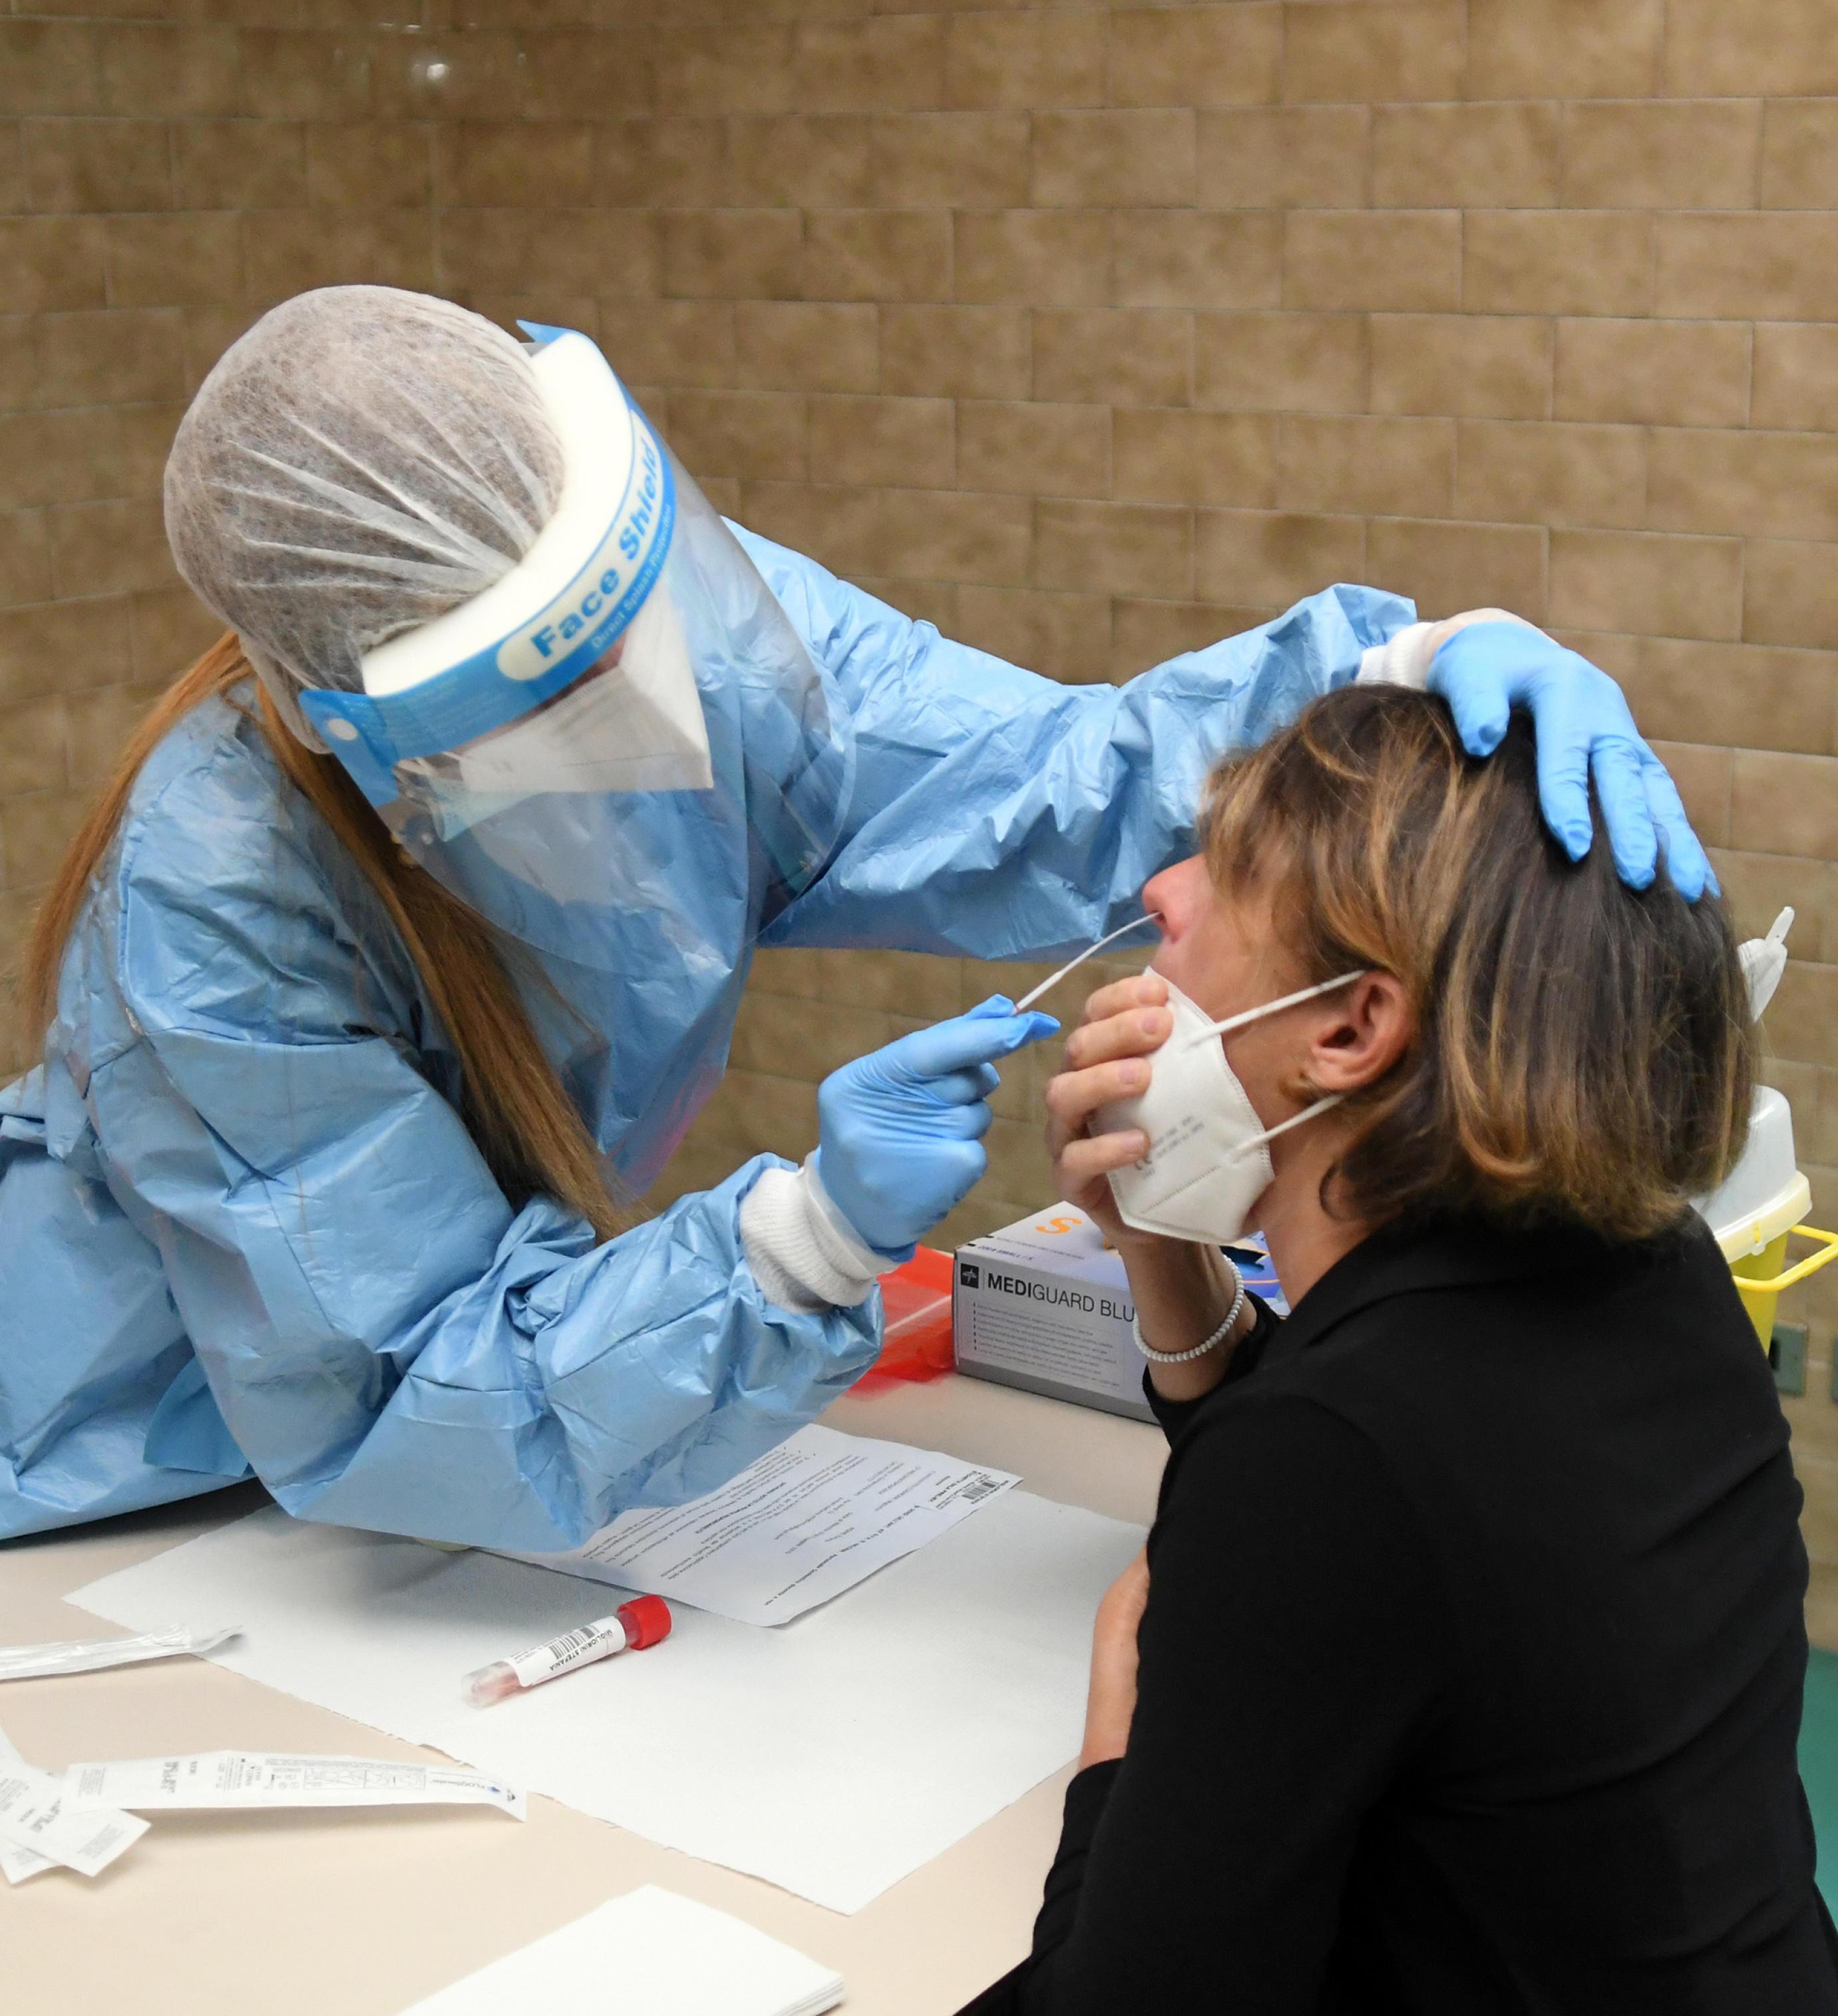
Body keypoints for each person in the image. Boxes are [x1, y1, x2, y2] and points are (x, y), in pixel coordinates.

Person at [0, 285, 1710, 1553]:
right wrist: (800, 1245)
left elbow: (1044, 781)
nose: (664, 719)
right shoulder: (208, 906)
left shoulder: (692, 636)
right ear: (362, 733)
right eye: (555, 704)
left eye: (634, 631)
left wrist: (1374, 677)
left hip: (406, 1509)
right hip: (139, 1476)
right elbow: (397, 1393)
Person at [966, 682, 1837, 2013]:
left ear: (1349, 1029)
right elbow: (1387, 1513)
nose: (1160, 893)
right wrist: (1159, 1233)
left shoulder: (1334, 1458)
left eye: (1225, 871)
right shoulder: (1652, 1269)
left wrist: (1112, 1762)